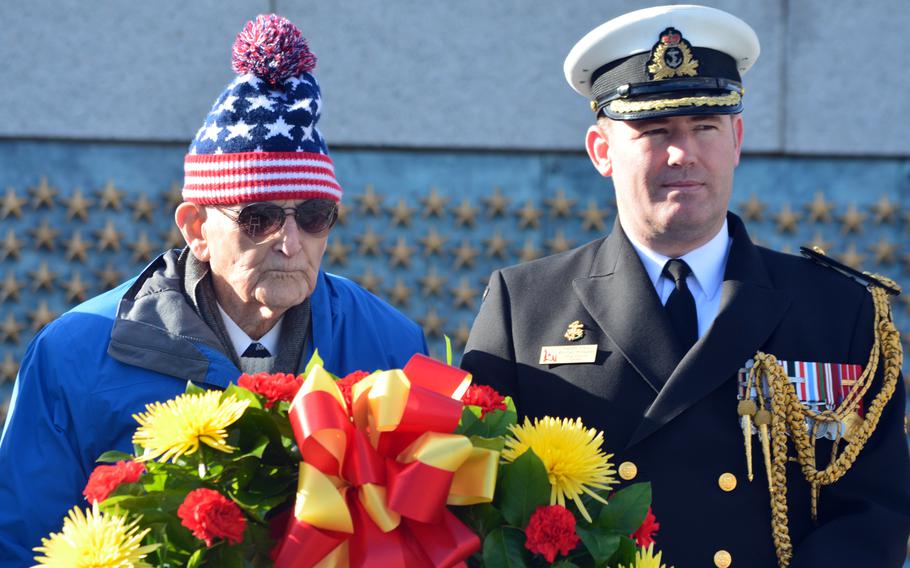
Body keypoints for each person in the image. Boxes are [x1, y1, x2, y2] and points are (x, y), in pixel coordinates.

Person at [462, 5, 910, 567]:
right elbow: (477, 509)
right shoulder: (525, 308)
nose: (683, 154)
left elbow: (876, 511)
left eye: (706, 127)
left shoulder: (837, 310)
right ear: (602, 152)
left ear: (737, 138)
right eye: (654, 131)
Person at [0, 14, 427, 565]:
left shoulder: (390, 345)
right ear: (197, 229)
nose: (290, 243)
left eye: (316, 216)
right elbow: (20, 546)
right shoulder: (74, 355)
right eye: (259, 217)